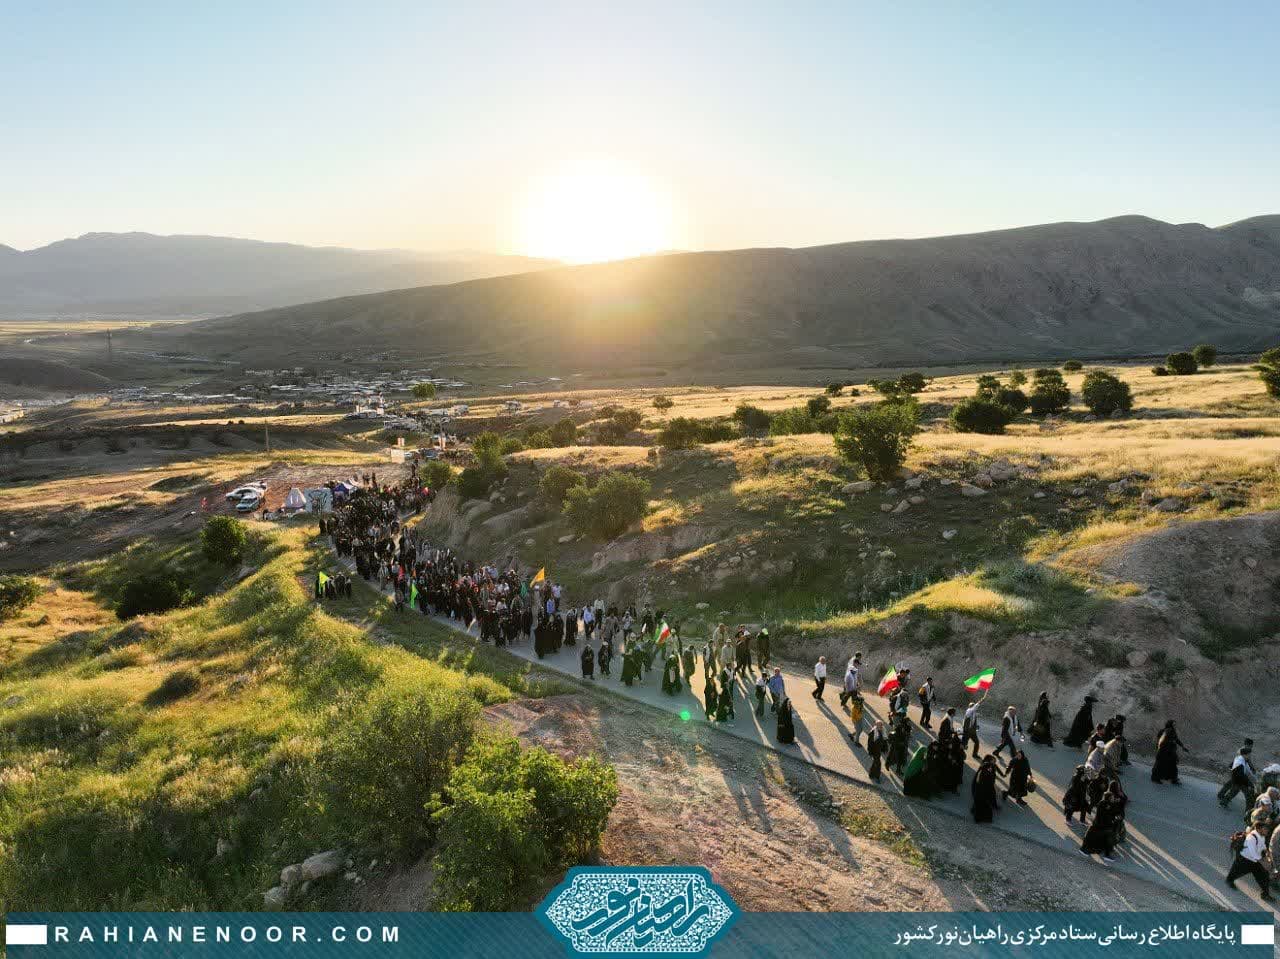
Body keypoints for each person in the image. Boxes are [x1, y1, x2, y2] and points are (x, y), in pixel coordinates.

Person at [1227, 824, 1274, 902]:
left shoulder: (1261, 836)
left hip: (1255, 861)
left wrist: (1266, 852)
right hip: (1245, 860)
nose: (1267, 831)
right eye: (1265, 829)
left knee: (1264, 877)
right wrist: (1264, 862)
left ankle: (1265, 894)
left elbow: (1262, 846)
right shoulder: (1251, 837)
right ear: (1259, 829)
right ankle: (1229, 880)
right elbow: (1253, 853)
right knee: (1235, 872)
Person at [1151, 720, 1187, 784]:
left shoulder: (1172, 731)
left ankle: (1172, 778)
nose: (1175, 726)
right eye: (1174, 724)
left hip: (1169, 751)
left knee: (1171, 765)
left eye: (1175, 725)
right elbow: (1161, 740)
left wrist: (1182, 746)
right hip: (1164, 751)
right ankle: (1157, 778)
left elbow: (1176, 739)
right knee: (1161, 764)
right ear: (1170, 725)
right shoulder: (1167, 731)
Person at [971, 756, 1002, 823]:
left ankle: (985, 816)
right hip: (981, 789)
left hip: (987, 789)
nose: (994, 762)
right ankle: (978, 818)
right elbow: (977, 780)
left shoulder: (991, 767)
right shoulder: (984, 768)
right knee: (980, 804)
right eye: (993, 761)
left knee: (985, 803)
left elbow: (992, 778)